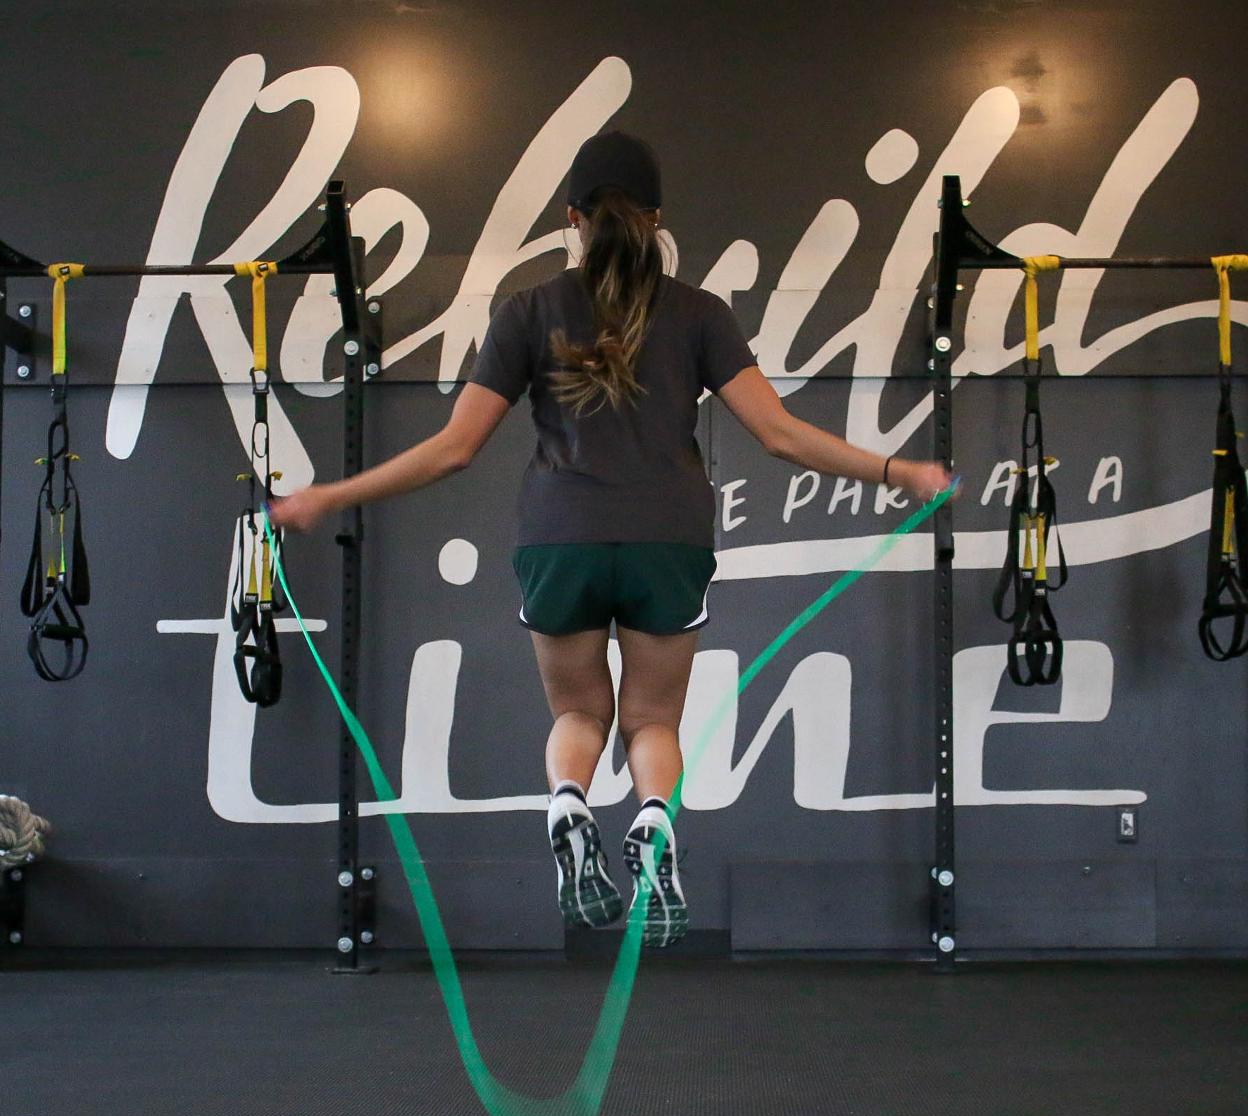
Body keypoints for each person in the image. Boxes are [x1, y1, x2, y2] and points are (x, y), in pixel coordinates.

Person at [268, 131, 953, 948]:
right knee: (653, 720)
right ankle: (653, 822)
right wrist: (898, 471)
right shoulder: (699, 313)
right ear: (656, 219)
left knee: (577, 711)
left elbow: (453, 450)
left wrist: (329, 494)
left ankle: (568, 804)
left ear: (572, 218)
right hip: (669, 539)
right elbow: (779, 435)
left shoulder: (528, 312)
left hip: (561, 540)